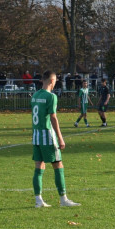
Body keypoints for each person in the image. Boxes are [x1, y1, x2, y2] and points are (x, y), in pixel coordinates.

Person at [31, 70, 79, 208]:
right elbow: (53, 117)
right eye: (56, 81)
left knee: (39, 167)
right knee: (58, 164)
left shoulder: (34, 96)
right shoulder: (51, 97)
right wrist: (60, 138)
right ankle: (63, 199)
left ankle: (38, 200)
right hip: (47, 136)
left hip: (36, 136)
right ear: (52, 81)